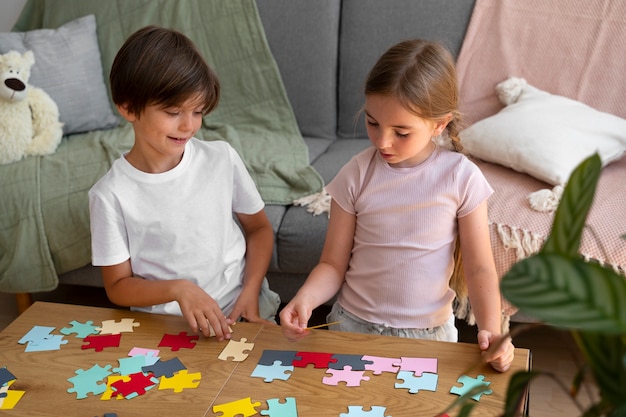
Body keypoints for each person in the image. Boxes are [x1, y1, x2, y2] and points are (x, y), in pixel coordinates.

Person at [279, 39, 514, 372]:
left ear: (439, 124)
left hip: (428, 337)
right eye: (373, 123)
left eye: (401, 132)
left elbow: (479, 269)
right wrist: (305, 299)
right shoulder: (356, 173)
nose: (382, 142)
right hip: (351, 327)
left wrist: (491, 330)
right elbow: (332, 264)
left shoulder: (462, 177)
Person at [89, 26, 280, 342]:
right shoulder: (109, 195)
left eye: (197, 111)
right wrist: (179, 289)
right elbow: (118, 287)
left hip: (242, 310)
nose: (188, 125)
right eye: (173, 111)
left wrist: (250, 291)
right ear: (128, 107)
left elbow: (259, 229)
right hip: (166, 330)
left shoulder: (221, 158)